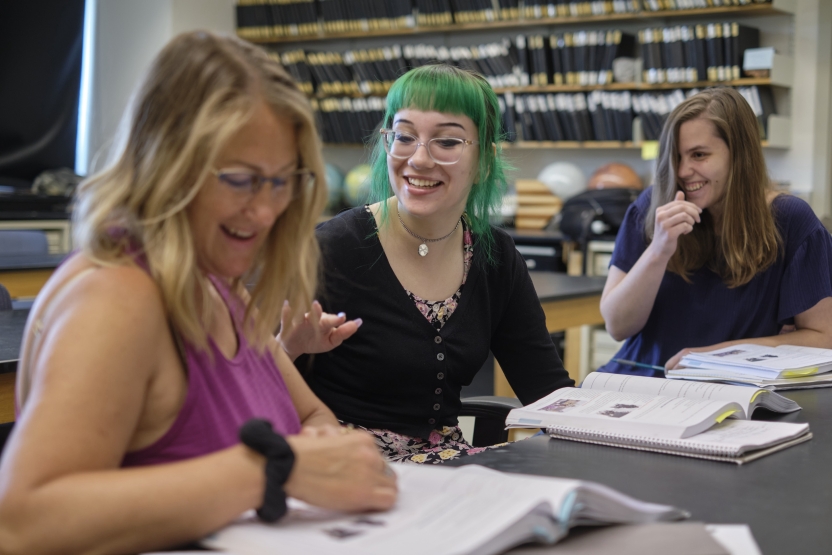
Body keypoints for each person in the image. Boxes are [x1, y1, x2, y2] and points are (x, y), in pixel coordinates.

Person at [0, 31, 396, 555]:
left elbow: (309, 418)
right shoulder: (117, 297)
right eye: (240, 179)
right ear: (167, 164)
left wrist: (322, 455)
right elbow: (22, 522)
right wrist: (274, 469)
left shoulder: (218, 285)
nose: (265, 211)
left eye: (281, 182)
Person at [280, 63, 574, 465]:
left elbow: (548, 392)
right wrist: (287, 348)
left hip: (450, 467)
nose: (418, 159)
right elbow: (248, 378)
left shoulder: (495, 256)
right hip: (345, 466)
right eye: (404, 136)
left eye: (447, 142)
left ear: (485, 159)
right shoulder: (333, 248)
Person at [597, 87, 832, 376]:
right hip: (637, 382)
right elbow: (617, 326)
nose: (682, 171)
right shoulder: (653, 205)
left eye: (699, 155)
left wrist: (712, 357)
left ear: (739, 155)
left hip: (726, 392)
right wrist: (659, 250)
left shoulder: (790, 221)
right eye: (676, 157)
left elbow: (823, 338)